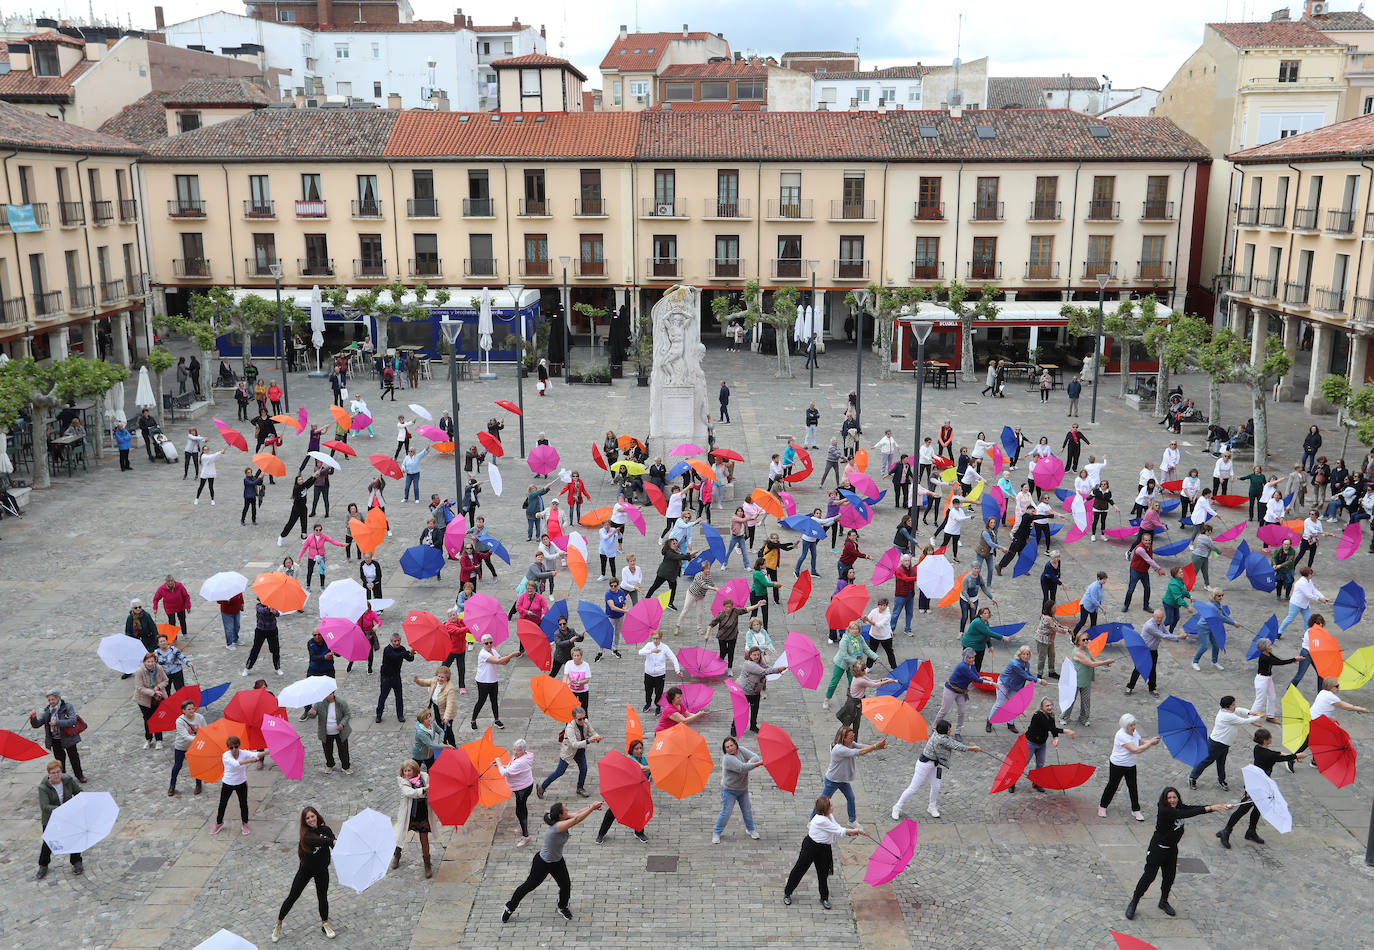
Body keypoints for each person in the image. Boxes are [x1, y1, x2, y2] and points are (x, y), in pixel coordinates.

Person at [1124, 788, 1233, 921]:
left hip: (1171, 850)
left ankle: (1163, 901)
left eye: (1174, 797)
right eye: (1169, 798)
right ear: (1165, 799)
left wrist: (1217, 807)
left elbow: (1191, 808)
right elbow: (1189, 813)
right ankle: (1134, 902)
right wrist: (1210, 808)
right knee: (1149, 877)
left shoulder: (1178, 807)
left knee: (1169, 877)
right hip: (1157, 849)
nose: (1172, 800)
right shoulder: (1165, 810)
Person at [502, 799, 604, 923]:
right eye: (565, 809)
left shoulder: (562, 819)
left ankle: (562, 907)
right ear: (561, 815)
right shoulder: (557, 826)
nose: (567, 810)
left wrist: (591, 807)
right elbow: (577, 819)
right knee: (529, 886)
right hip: (543, 863)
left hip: (557, 861)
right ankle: (509, 907)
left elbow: (577, 813)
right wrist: (592, 808)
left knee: (565, 885)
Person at [1217, 729, 1305, 848]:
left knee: (1258, 808)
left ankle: (1251, 831)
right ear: (1265, 740)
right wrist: (1297, 755)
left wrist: (1282, 753)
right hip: (1257, 785)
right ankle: (1226, 831)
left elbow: (1274, 754)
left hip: (1260, 783)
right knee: (1243, 809)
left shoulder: (1258, 748)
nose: (1271, 739)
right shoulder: (1268, 755)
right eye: (1270, 737)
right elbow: (1280, 758)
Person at [783, 795, 867, 909]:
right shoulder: (820, 820)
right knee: (799, 869)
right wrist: (855, 830)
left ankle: (824, 898)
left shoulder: (829, 816)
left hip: (823, 848)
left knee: (822, 874)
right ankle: (788, 892)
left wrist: (851, 832)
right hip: (811, 847)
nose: (833, 806)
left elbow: (836, 827)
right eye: (831, 805)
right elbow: (838, 830)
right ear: (825, 808)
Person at [891, 718, 982, 819]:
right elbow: (956, 745)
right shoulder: (941, 739)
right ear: (943, 731)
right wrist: (973, 748)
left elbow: (951, 741)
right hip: (924, 765)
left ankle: (932, 807)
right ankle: (897, 807)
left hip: (934, 765)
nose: (950, 731)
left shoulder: (939, 734)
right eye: (949, 730)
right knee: (913, 788)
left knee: (936, 786)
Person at [272, 806, 337, 941]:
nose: (311, 819)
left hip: (322, 870)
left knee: (322, 896)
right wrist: (331, 841)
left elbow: (333, 844)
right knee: (293, 896)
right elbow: (320, 841)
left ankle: (325, 923)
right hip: (306, 870)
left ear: (317, 816)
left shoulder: (326, 830)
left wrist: (337, 844)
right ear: (304, 821)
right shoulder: (306, 835)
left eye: (312, 816)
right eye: (307, 818)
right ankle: (278, 923)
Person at [1187, 696, 1262, 791]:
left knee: (1221, 762)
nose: (1235, 706)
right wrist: (1259, 717)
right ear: (1227, 707)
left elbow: (1238, 710)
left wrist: (1249, 712)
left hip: (1224, 744)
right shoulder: (1227, 716)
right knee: (1206, 761)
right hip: (1216, 743)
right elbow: (1244, 721)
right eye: (1233, 705)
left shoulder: (1227, 711)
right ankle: (1193, 777)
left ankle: (1221, 780)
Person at [1098, 714, 1161, 820]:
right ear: (1125, 726)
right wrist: (1150, 743)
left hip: (1130, 764)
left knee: (1133, 787)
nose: (1134, 727)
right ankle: (1102, 806)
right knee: (1112, 786)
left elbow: (1141, 742)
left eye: (1134, 724)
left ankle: (1136, 810)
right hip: (1118, 764)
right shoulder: (1121, 735)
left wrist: (1152, 741)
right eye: (1131, 725)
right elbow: (1135, 750)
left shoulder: (1134, 732)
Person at [537, 705, 601, 799]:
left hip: (580, 750)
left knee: (584, 769)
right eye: (580, 719)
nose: (582, 721)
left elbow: (593, 732)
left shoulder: (585, 722)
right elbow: (574, 744)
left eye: (584, 718)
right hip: (569, 751)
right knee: (559, 772)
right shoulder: (570, 728)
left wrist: (597, 737)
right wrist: (588, 741)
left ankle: (580, 788)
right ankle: (542, 787)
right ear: (574, 718)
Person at [36, 759, 83, 879]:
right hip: (52, 819)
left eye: (58, 772)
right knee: (49, 842)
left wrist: (80, 802)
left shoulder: (68, 781)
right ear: (49, 774)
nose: (56, 775)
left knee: (75, 837)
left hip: (68, 817)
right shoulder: (43, 788)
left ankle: (76, 861)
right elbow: (45, 807)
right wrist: (63, 809)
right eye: (53, 773)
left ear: (61, 772)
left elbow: (79, 793)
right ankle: (43, 865)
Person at [714, 736, 764, 842]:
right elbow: (742, 768)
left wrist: (749, 763)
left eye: (731, 745)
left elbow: (755, 756)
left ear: (735, 744)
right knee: (726, 812)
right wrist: (757, 764)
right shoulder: (728, 759)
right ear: (725, 750)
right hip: (729, 790)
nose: (730, 748)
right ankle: (717, 832)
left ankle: (751, 829)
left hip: (742, 789)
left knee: (747, 810)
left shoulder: (741, 750)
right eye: (727, 747)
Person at [29, 689, 85, 783]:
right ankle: (62, 778)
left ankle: (79, 775)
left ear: (58, 698)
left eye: (52, 699)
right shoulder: (47, 711)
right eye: (49, 700)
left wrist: (57, 723)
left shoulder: (67, 707)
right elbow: (37, 724)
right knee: (59, 761)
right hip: (55, 740)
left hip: (68, 737)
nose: (51, 702)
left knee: (74, 758)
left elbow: (72, 721)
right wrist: (33, 718)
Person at [214, 735, 264, 835]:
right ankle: (219, 823)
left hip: (241, 783)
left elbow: (256, 753)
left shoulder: (243, 753)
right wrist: (250, 760)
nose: (234, 749)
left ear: (239, 746)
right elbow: (236, 764)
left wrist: (270, 751)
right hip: (228, 783)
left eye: (236, 746)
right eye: (231, 747)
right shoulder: (226, 755)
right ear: (228, 748)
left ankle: (245, 823)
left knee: (243, 804)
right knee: (222, 804)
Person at [392, 759, 434, 877]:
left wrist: (431, 788)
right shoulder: (403, 782)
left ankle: (427, 863)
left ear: (415, 770)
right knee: (400, 834)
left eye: (409, 771)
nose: (406, 773)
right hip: (408, 814)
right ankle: (397, 855)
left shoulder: (425, 777)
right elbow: (410, 792)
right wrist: (424, 790)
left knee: (424, 837)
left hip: (422, 813)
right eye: (405, 771)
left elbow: (433, 786)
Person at [1125, 608, 1181, 696]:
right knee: (1138, 669)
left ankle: (1152, 688)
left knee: (1152, 669)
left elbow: (1166, 632)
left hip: (1153, 650)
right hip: (1144, 650)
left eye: (1161, 617)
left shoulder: (1160, 622)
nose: (1159, 619)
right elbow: (1162, 635)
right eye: (1158, 617)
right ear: (1153, 616)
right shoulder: (1149, 626)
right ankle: (1130, 687)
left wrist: (1175, 637)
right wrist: (1178, 637)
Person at [987, 645, 1041, 734]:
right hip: (1004, 683)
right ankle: (989, 721)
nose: (1026, 656)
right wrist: (1039, 680)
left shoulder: (1026, 664)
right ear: (1020, 654)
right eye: (1024, 654)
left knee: (1015, 705)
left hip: (1015, 686)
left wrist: (1038, 679)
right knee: (999, 704)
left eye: (1027, 654)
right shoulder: (1015, 664)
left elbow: (1028, 674)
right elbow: (1025, 676)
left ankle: (1010, 723)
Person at [1064, 630, 1113, 726]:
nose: (1086, 641)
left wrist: (1104, 663)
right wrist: (1105, 661)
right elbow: (1090, 664)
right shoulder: (1077, 652)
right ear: (1078, 641)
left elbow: (1092, 660)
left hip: (1085, 679)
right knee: (1071, 700)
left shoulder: (1086, 649)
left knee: (1086, 700)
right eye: (1084, 640)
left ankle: (1084, 718)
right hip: (1076, 680)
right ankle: (1064, 717)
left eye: (1087, 639)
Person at [1025, 698, 1074, 792]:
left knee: (1040, 763)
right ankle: (1012, 782)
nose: (1050, 707)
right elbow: (1049, 728)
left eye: (1051, 705)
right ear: (1042, 707)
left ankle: (1036, 783)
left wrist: (1055, 737)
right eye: (1047, 705)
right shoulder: (1038, 715)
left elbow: (1053, 727)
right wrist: (1066, 731)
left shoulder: (1051, 715)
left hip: (1041, 743)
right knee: (1024, 763)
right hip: (1030, 743)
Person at [935, 649, 982, 740]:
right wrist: (991, 683)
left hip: (961, 692)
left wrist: (985, 678)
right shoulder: (962, 666)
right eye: (970, 658)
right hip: (951, 690)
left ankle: (958, 732)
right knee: (944, 710)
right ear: (965, 658)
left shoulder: (971, 666)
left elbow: (977, 677)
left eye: (973, 657)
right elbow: (975, 679)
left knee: (962, 711)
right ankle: (934, 729)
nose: (972, 660)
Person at [472, 634, 516, 731]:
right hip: (483, 681)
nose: (489, 644)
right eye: (486, 643)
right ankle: (473, 720)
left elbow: (503, 662)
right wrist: (511, 655)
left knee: (494, 701)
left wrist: (508, 658)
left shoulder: (494, 651)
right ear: (483, 644)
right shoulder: (483, 653)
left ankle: (496, 720)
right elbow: (497, 661)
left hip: (493, 680)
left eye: (490, 642)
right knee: (481, 701)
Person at [498, 739, 537, 847]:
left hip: (522, 789)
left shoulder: (521, 761)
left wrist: (499, 763)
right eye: (514, 749)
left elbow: (505, 773)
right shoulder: (521, 757)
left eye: (518, 750)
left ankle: (526, 836)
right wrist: (501, 766)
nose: (515, 752)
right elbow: (511, 767)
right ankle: (522, 825)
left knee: (520, 812)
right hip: (522, 786)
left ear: (524, 750)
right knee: (521, 808)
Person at [1277, 565, 1327, 640]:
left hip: (1304, 604)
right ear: (1307, 575)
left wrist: (1323, 597)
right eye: (1311, 573)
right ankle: (1279, 633)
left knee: (1307, 620)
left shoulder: (1309, 581)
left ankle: (1305, 635)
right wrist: (1320, 599)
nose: (1312, 574)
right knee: (1290, 618)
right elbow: (1309, 595)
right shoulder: (1301, 583)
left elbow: (1314, 590)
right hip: (1296, 604)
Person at [1251, 638, 1294, 722]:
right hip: (1262, 680)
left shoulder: (1268, 654)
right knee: (1260, 699)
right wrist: (1294, 659)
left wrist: (1293, 660)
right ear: (1265, 647)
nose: (1271, 646)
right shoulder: (1265, 658)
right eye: (1269, 645)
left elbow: (1278, 660)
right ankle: (1251, 718)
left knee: (1272, 696)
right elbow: (1279, 663)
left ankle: (1270, 716)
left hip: (1268, 678)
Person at [413, 666, 457, 746]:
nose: (440, 679)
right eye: (439, 676)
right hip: (437, 707)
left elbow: (450, 704)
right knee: (440, 728)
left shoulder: (449, 688)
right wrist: (417, 681)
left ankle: (453, 746)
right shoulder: (434, 680)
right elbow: (425, 682)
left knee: (447, 730)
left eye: (442, 677)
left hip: (446, 711)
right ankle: (444, 744)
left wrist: (446, 717)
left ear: (447, 678)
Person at [134, 652, 169, 750]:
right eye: (148, 661)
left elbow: (165, 680)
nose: (150, 664)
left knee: (157, 719)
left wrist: (158, 687)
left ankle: (159, 740)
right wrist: (153, 693)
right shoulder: (139, 671)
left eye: (152, 661)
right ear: (144, 662)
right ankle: (148, 739)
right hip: (144, 699)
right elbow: (139, 687)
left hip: (157, 698)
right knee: (147, 719)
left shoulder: (159, 668)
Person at [169, 700, 205, 796]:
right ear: (183, 711)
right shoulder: (180, 721)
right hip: (182, 746)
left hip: (195, 746)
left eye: (193, 708)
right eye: (189, 709)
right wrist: (198, 739)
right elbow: (185, 736)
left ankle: (198, 785)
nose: (192, 711)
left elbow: (205, 729)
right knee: (177, 766)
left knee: (197, 765)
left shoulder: (200, 717)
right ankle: (172, 785)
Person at [1123, 535, 1165, 612]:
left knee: (1147, 588)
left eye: (1149, 540)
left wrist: (1156, 570)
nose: (1148, 542)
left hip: (1144, 570)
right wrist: (1159, 568)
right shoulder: (1140, 549)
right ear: (1142, 540)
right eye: (1146, 540)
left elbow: (1151, 558)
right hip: (1135, 570)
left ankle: (1146, 606)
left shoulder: (1150, 547)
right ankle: (1126, 605)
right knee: (1131, 589)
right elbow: (1148, 560)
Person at [243, 598, 284, 677]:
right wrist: (269, 608)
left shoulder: (273, 605)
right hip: (260, 630)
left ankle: (277, 667)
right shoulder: (258, 606)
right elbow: (262, 610)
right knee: (255, 649)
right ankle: (247, 668)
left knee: (275, 649)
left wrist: (274, 611)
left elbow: (278, 614)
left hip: (272, 630)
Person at [316, 691, 352, 774]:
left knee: (343, 750)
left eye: (330, 694)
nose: (328, 696)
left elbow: (347, 714)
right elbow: (313, 714)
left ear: (333, 694)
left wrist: (342, 724)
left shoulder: (341, 702)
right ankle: (330, 765)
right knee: (327, 750)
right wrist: (311, 713)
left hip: (340, 732)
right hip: (326, 732)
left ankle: (346, 767)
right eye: (326, 694)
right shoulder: (319, 703)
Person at [152, 575, 192, 643]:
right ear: (166, 582)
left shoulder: (179, 586)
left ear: (174, 581)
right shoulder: (161, 589)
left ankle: (184, 633)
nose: (170, 582)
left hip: (180, 606)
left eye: (172, 581)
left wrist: (188, 606)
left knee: (182, 620)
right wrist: (155, 608)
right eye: (168, 581)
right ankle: (174, 636)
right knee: (172, 622)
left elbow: (186, 596)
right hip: (169, 608)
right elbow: (156, 599)